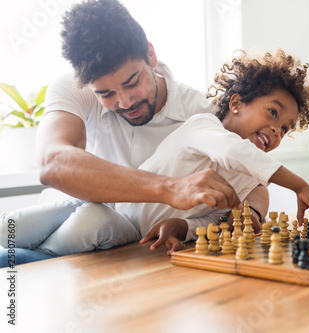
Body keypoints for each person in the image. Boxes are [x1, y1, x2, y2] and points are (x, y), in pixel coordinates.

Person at [0, 0, 239, 265]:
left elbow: (249, 178)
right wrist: (169, 188)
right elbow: (52, 162)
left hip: (120, 241)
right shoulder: (74, 88)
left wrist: (254, 212)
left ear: (151, 55)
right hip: (67, 215)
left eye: (132, 83)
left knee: (86, 224)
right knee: (10, 227)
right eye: (106, 93)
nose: (125, 102)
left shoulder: (201, 112)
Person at [117, 49, 309, 254]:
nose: (277, 130)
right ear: (236, 103)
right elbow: (235, 151)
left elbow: (214, 220)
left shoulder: (247, 177)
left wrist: (181, 227)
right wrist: (299, 185)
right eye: (273, 112)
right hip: (120, 222)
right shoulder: (202, 125)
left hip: (143, 242)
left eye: (285, 128)